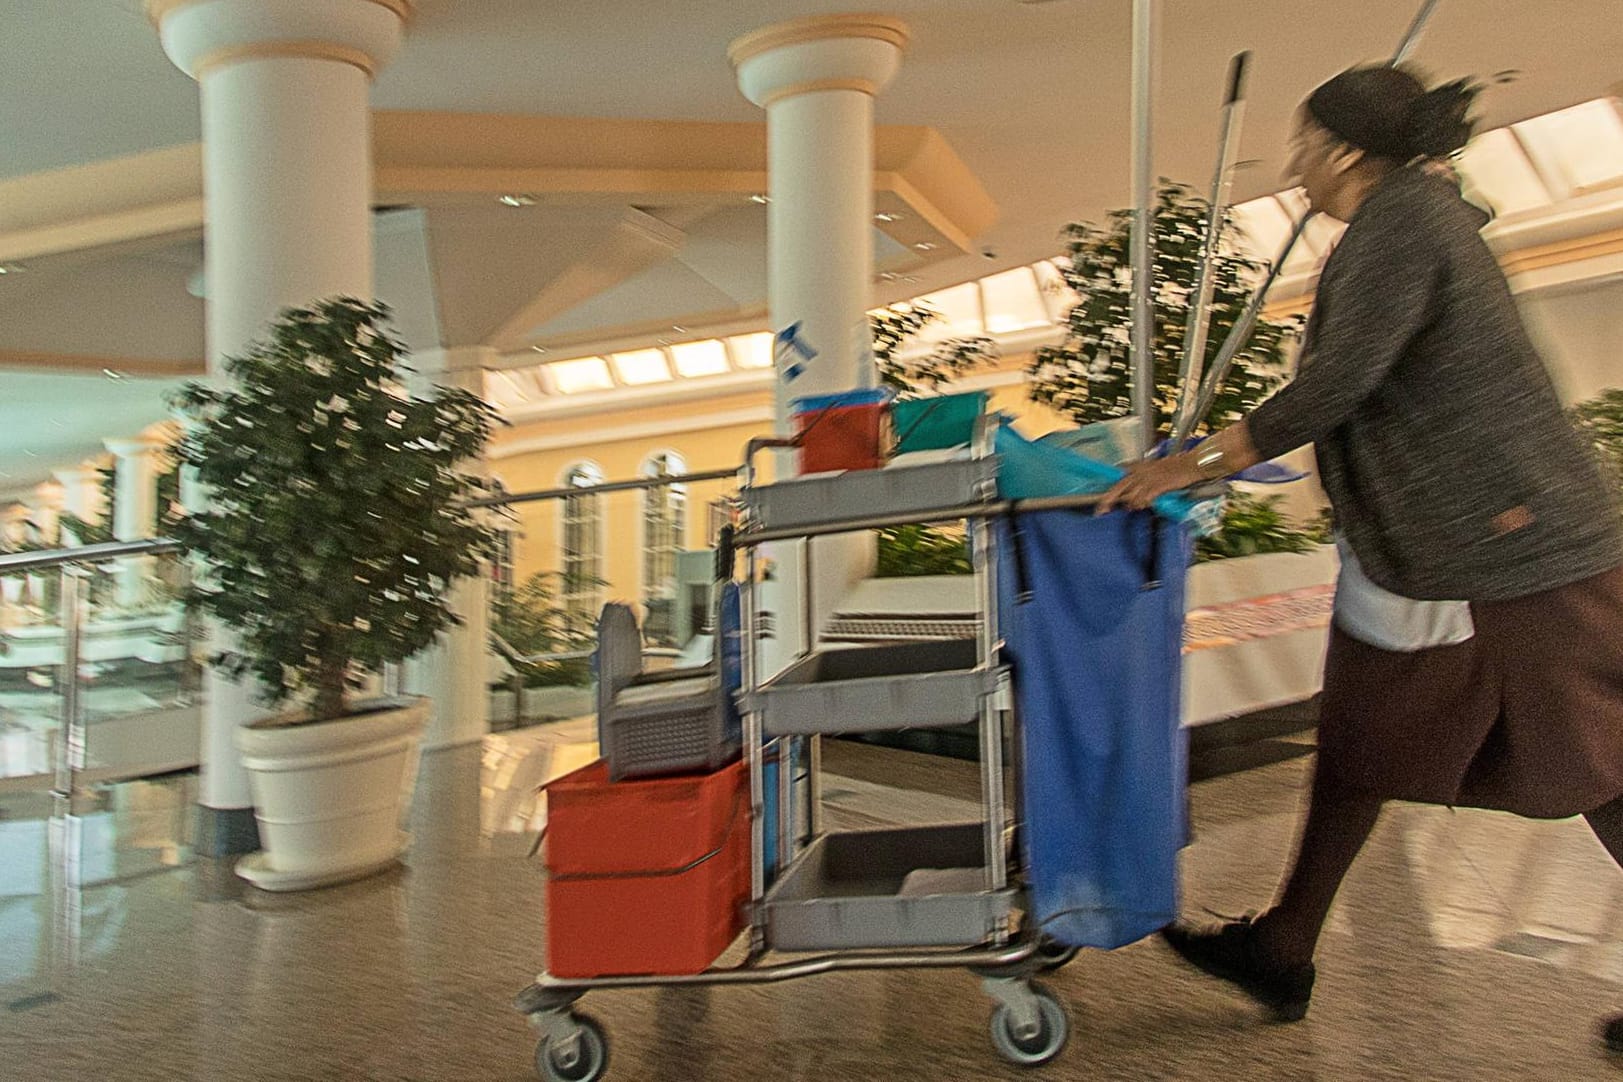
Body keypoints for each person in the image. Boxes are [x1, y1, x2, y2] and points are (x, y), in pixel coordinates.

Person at [1099, 64, 1623, 1048]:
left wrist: (1188, 465)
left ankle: (1286, 944)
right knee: (1364, 737)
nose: (1293, 163)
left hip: (1512, 548)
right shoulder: (1416, 219)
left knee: (1598, 758)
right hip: (1460, 546)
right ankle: (1284, 944)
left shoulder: (1404, 223)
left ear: (1345, 151)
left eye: (1303, 143)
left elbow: (1336, 384)